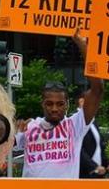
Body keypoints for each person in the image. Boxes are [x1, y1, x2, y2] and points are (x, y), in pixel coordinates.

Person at [17, 33, 103, 179]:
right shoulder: (29, 127)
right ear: (42, 104)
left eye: (60, 104)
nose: (54, 109)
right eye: (49, 104)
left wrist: (83, 46)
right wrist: (14, 126)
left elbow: (97, 89)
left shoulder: (75, 126)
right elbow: (0, 143)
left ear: (67, 105)